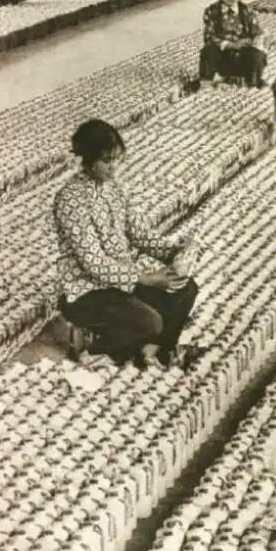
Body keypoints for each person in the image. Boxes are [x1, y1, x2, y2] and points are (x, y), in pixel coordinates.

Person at [53, 119, 202, 371]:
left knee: (185, 289)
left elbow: (139, 234)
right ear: (88, 160)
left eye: (116, 160)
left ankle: (154, 350)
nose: (113, 168)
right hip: (87, 291)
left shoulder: (115, 190)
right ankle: (95, 348)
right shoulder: (70, 199)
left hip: (121, 284)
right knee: (150, 322)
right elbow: (93, 263)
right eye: (106, 161)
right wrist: (145, 279)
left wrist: (175, 253)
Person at [199, 0, 267, 88]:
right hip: (222, 56)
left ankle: (252, 83)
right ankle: (207, 82)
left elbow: (257, 33)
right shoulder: (212, 11)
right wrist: (231, 45)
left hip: (242, 57)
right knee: (208, 50)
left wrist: (255, 41)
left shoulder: (246, 11)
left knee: (257, 55)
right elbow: (209, 37)